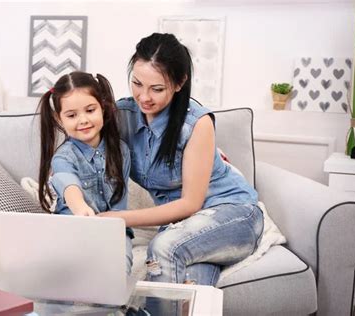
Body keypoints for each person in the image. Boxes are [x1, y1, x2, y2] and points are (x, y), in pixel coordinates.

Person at [99, 33, 264, 287]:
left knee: (165, 247)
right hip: (184, 230)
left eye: (157, 89)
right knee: (191, 286)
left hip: (234, 214)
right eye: (137, 83)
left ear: (179, 83)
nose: (144, 96)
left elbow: (190, 204)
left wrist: (120, 218)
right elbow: (85, 135)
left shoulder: (197, 123)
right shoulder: (123, 115)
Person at [37, 71, 133, 273]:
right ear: (59, 118)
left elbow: (119, 207)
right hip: (71, 230)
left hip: (112, 230)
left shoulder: (121, 151)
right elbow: (69, 185)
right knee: (61, 272)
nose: (83, 120)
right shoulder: (63, 157)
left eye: (90, 110)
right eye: (71, 115)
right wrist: (80, 208)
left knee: (118, 270)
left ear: (103, 108)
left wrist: (106, 229)